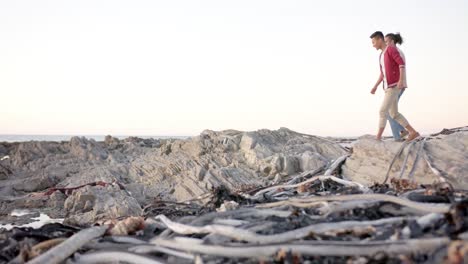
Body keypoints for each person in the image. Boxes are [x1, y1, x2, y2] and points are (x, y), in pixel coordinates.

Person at [369, 31, 420, 142]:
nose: (373, 45)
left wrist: (400, 80)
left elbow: (401, 63)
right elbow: (383, 73)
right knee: (394, 114)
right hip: (387, 87)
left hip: (394, 86)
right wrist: (375, 86)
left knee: (383, 111)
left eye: (373, 42)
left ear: (379, 39)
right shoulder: (381, 55)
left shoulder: (390, 49)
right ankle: (413, 132)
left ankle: (378, 137)